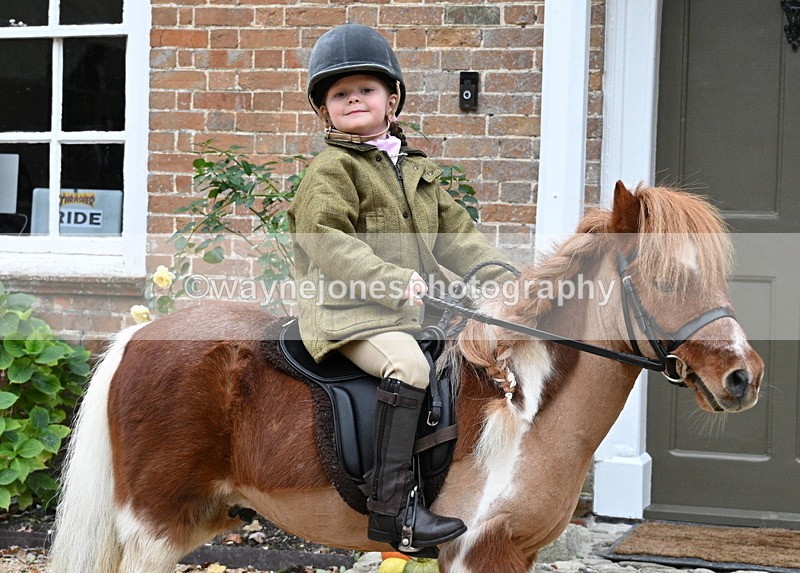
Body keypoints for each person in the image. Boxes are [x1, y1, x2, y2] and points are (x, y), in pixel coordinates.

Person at [288, 23, 516, 553]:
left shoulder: (415, 170)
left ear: (392, 100)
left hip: (409, 313)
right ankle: (396, 513)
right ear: (325, 111)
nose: (353, 100)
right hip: (350, 313)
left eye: (365, 89)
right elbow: (325, 241)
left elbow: (461, 238)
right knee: (409, 368)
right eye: (339, 94)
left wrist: (503, 283)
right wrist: (393, 282)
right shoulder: (331, 170)